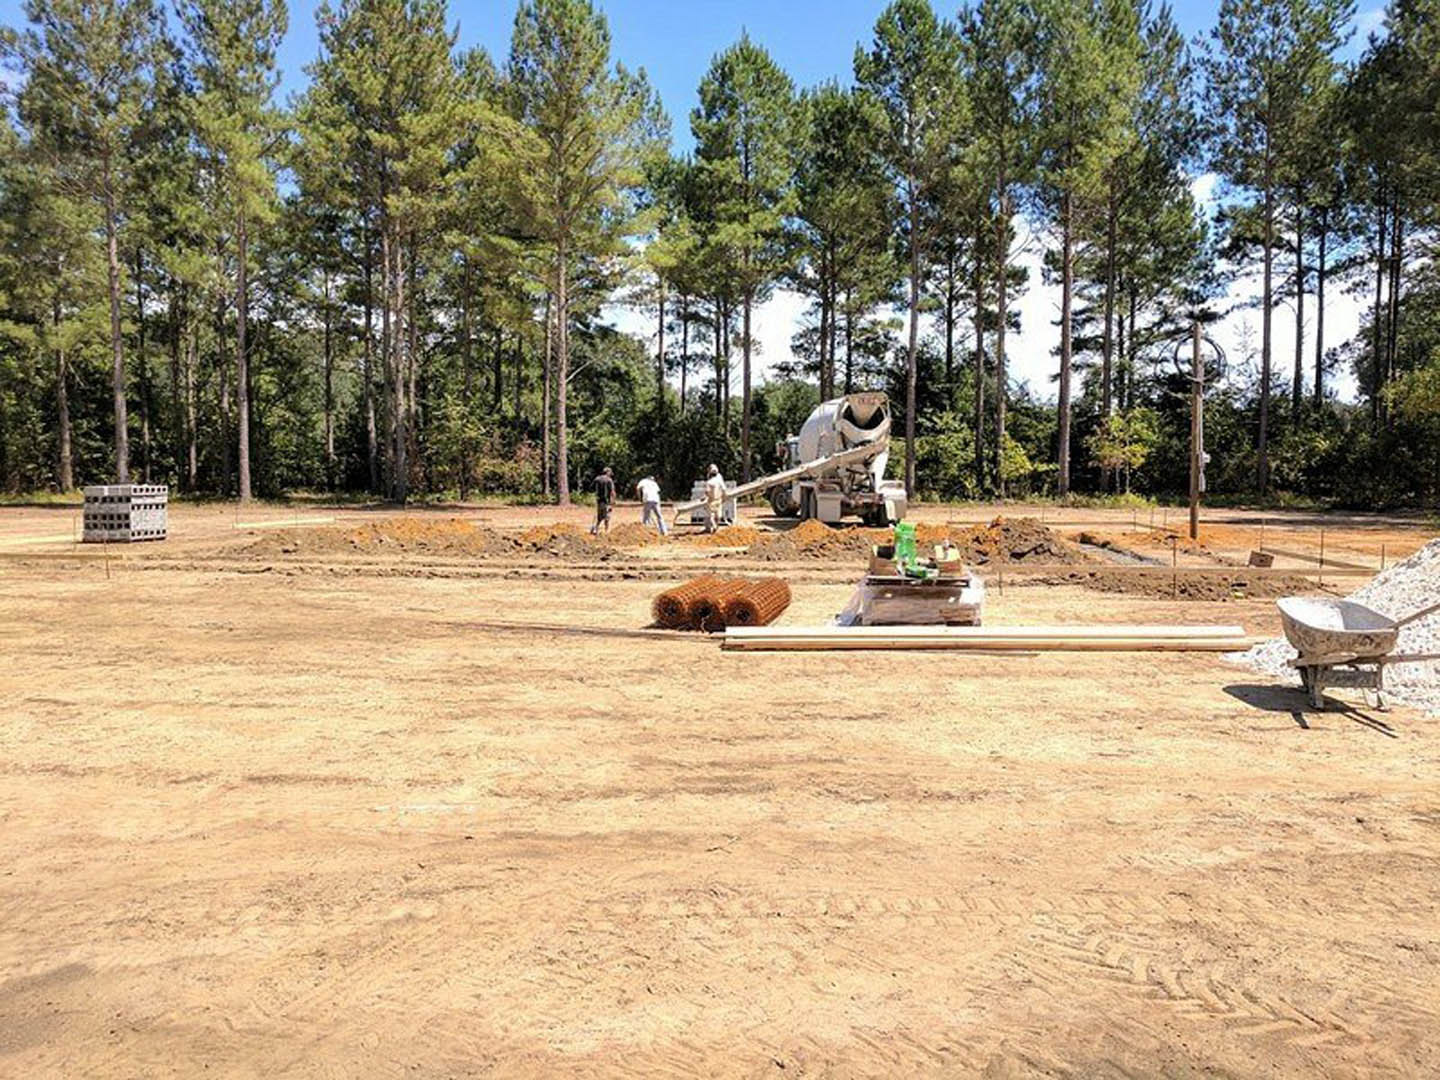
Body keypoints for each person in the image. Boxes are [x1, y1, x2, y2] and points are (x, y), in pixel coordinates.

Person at [590, 466, 616, 535]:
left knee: (599, 516)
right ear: (608, 472)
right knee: (607, 516)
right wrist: (613, 502)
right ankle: (606, 531)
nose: (610, 474)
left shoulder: (597, 479)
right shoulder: (609, 480)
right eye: (610, 473)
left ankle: (595, 529)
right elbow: (612, 492)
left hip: (599, 501)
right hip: (606, 501)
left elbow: (591, 488)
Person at [703, 463, 726, 534]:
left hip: (712, 500)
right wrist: (724, 497)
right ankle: (714, 528)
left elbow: (707, 492)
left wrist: (703, 497)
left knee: (711, 516)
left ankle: (714, 527)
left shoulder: (709, 482)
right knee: (717, 515)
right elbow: (724, 489)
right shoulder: (719, 480)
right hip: (718, 499)